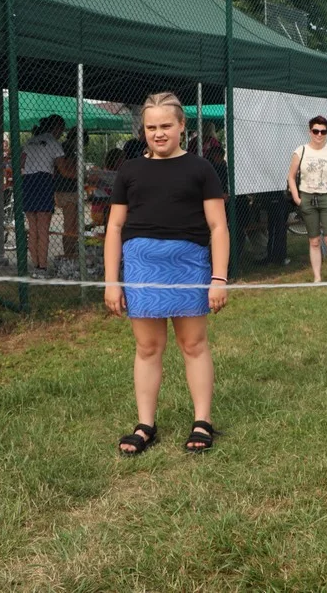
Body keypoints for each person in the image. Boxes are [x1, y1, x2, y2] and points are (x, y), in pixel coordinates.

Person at [104, 92, 230, 456]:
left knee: (193, 344)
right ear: (143, 129)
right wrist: (113, 281)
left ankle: (202, 421)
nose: (158, 133)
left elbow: (218, 227)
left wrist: (218, 278)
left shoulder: (201, 169)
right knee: (147, 347)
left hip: (189, 264)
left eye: (166, 126)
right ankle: (146, 425)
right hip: (142, 266)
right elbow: (114, 228)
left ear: (181, 126)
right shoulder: (128, 171)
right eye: (151, 127)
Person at [287, 116, 327, 283]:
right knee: (314, 240)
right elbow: (291, 177)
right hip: (307, 197)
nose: (319, 135)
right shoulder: (300, 151)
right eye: (316, 131)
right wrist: (297, 198)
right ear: (310, 132)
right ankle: (317, 277)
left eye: (323, 131)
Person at [22, 115, 66, 277]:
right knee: (43, 229)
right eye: (62, 129)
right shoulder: (54, 143)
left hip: (27, 182)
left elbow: (20, 163)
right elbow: (63, 168)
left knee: (33, 229)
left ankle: (35, 266)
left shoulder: (30, 141)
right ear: (56, 128)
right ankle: (43, 267)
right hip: (44, 180)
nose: (62, 132)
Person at [53, 127, 88, 261]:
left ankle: (72, 251)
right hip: (66, 189)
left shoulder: (72, 149)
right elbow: (66, 169)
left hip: (72, 189)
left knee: (74, 224)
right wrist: (83, 176)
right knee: (70, 224)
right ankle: (68, 253)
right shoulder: (67, 147)